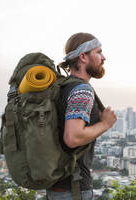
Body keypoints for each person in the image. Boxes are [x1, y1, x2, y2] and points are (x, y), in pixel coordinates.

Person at [46, 33, 117, 200]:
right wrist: (105, 124)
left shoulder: (62, 87)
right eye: (98, 52)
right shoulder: (81, 91)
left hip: (58, 187)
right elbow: (72, 137)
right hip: (74, 190)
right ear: (83, 57)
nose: (103, 57)